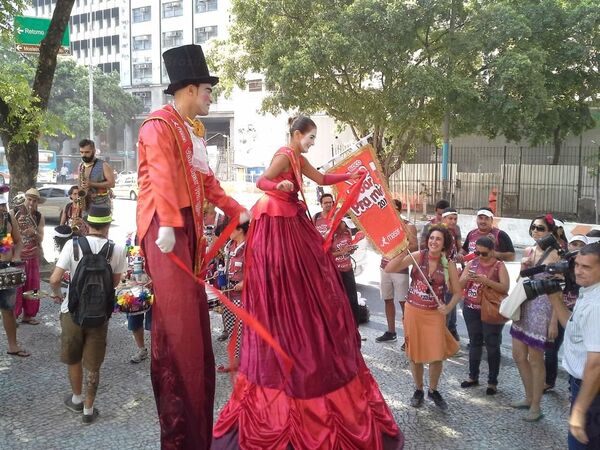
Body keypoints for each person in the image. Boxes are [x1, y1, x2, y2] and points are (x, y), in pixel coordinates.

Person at [213, 116, 404, 449]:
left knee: (311, 276)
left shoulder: (297, 156)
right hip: (278, 222)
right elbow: (262, 183)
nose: (312, 142)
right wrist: (281, 186)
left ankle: (301, 315)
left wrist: (350, 174)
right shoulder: (285, 154)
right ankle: (291, 313)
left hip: (292, 220)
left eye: (314, 138)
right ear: (297, 134)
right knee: (290, 276)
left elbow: (322, 177)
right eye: (310, 137)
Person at [136, 44, 248, 449]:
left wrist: (239, 210)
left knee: (195, 332)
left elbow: (206, 184)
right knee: (182, 331)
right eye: (207, 91)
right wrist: (167, 220)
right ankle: (181, 435)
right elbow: (162, 175)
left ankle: (197, 430)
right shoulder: (157, 126)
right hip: (165, 231)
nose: (210, 98)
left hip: (187, 233)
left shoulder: (190, 131)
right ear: (188, 90)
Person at [49, 204, 127, 424]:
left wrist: (57, 295)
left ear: (86, 224)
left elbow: (55, 279)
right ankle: (88, 410)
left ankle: (76, 399)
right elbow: (114, 283)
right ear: (107, 225)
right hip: (99, 316)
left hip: (72, 312)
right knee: (93, 363)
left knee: (74, 357)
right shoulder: (117, 248)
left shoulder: (72, 246)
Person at [385, 225, 461, 410]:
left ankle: (433, 390)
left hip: (435, 314)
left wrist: (448, 307)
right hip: (414, 311)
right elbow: (389, 268)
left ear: (444, 244)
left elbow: (458, 292)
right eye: (431, 238)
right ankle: (418, 389)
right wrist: (403, 250)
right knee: (415, 354)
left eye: (438, 239)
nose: (434, 242)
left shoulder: (447, 263)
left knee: (437, 356)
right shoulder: (419, 256)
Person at [547, 243, 600, 449]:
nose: (578, 270)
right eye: (577, 265)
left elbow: (596, 364)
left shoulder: (596, 305)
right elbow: (572, 327)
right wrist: (555, 300)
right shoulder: (588, 291)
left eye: (586, 267)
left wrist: (579, 410)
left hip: (591, 392)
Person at [510, 215, 560, 422]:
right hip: (524, 304)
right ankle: (529, 397)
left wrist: (554, 320)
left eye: (540, 228)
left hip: (543, 308)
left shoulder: (556, 254)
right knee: (518, 355)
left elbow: (560, 289)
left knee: (535, 359)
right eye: (533, 228)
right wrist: (523, 268)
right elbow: (518, 279)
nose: (536, 232)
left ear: (550, 231)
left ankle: (537, 406)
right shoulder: (529, 251)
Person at [453, 236, 510, 395]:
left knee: (492, 344)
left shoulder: (499, 266)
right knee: (475, 342)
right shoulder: (472, 263)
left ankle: (492, 382)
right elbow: (459, 285)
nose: (479, 256)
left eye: (483, 253)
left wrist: (486, 281)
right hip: (471, 308)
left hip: (490, 309)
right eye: (477, 252)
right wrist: (466, 277)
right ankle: (473, 376)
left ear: (492, 252)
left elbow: (505, 288)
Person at [544, 234, 588, 392]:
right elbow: (558, 296)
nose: (575, 247)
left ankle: (574, 386)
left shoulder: (588, 275)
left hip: (581, 316)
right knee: (551, 350)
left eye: (580, 244)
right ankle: (550, 381)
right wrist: (553, 322)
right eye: (573, 243)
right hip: (564, 312)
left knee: (578, 352)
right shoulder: (563, 268)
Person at [376, 199, 418, 349]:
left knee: (404, 304)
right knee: (387, 299)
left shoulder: (408, 226)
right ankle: (391, 331)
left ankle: (409, 338)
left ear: (399, 209)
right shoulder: (383, 224)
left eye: (393, 208)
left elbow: (414, 246)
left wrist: (399, 253)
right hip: (384, 266)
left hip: (400, 269)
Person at [217, 221, 248, 372]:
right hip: (228, 292)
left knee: (243, 330)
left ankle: (248, 362)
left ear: (240, 230)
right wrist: (219, 272)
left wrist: (245, 282)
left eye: (230, 229)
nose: (227, 233)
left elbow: (259, 269)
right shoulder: (229, 246)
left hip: (243, 296)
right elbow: (225, 264)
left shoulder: (250, 247)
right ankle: (235, 362)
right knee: (232, 329)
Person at [13, 188, 45, 325]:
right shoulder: (13, 213)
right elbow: (5, 236)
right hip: (17, 256)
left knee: (33, 287)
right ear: (24, 199)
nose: (31, 203)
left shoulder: (39, 216)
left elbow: (41, 238)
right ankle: (12, 315)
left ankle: (29, 315)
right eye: (29, 199)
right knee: (15, 287)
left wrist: (35, 233)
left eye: (34, 200)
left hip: (33, 256)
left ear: (38, 202)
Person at [0, 190, 26, 357]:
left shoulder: (8, 218)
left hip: (6, 268)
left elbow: (17, 242)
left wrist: (16, 255)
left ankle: (13, 346)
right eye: (1, 206)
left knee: (8, 309)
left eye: (4, 205)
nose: (3, 209)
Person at [331, 216, 360, 326]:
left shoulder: (348, 232)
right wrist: (341, 252)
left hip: (348, 269)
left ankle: (355, 327)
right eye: (345, 225)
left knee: (352, 299)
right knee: (337, 300)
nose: (347, 227)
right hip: (335, 272)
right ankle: (340, 326)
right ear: (338, 223)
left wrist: (351, 250)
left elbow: (348, 250)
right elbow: (324, 254)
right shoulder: (329, 235)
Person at [441, 207, 462, 341]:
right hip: (443, 274)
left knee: (451, 303)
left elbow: (456, 251)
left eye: (455, 219)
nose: (453, 221)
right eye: (450, 218)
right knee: (446, 306)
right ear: (443, 219)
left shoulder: (453, 231)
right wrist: (447, 278)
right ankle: (445, 337)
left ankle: (451, 332)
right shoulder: (440, 233)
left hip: (453, 272)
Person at [78, 139, 116, 211]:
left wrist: (91, 184)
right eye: (81, 152)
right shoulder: (81, 166)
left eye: (87, 152)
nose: (84, 155)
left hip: (101, 205)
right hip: (86, 207)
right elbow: (80, 185)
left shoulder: (104, 165)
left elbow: (112, 184)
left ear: (94, 151)